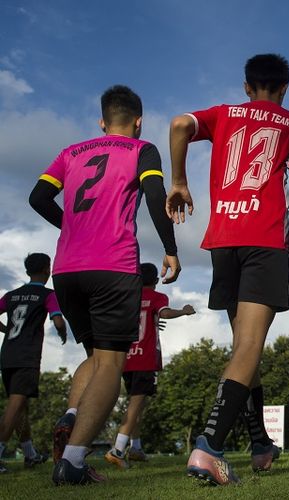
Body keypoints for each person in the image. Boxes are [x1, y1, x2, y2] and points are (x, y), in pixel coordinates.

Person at [166, 53, 289, 485]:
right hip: (265, 239)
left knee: (244, 349)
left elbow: (177, 124)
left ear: (247, 87)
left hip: (224, 240)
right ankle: (208, 446)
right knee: (249, 347)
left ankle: (261, 443)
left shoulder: (222, 114)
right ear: (284, 88)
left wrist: (178, 181)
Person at [29, 85, 180, 485]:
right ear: (138, 120)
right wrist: (170, 249)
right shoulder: (141, 149)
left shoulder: (70, 153)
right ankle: (74, 462)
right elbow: (154, 196)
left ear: (101, 121)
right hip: (113, 266)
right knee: (113, 363)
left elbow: (37, 197)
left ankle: (72, 415)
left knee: (95, 357)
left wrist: (71, 227)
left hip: (66, 269)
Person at [104, 263, 195, 469]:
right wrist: (184, 311)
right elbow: (163, 313)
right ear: (155, 281)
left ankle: (135, 448)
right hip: (145, 358)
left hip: (127, 358)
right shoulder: (158, 298)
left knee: (138, 402)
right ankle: (118, 449)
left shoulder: (127, 297)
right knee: (137, 402)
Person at [0, 253, 67, 473]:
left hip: (7, 354)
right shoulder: (47, 295)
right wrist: (63, 331)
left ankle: (30, 455)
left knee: (21, 407)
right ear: (48, 269)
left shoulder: (11, 295)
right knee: (15, 406)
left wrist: (6, 329)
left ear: (27, 271)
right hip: (27, 356)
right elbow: (57, 319)